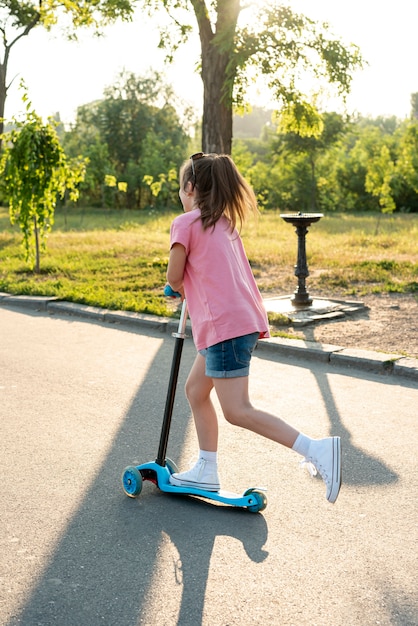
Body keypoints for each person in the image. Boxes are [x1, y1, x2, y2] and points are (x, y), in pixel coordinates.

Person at [166, 152, 341, 503]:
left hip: (224, 329)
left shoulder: (185, 222)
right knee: (196, 391)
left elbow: (174, 276)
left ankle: (316, 449)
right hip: (238, 323)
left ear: (190, 187)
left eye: (181, 188)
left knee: (237, 410)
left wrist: (174, 286)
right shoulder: (225, 224)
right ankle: (206, 469)